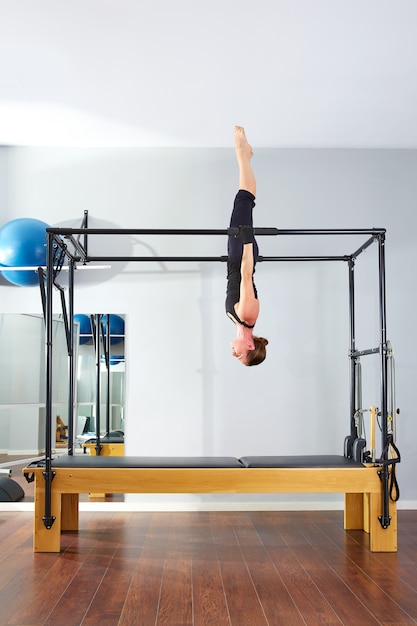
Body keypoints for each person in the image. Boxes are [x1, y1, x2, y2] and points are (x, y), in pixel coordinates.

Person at [225, 126, 268, 366]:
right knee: (244, 201)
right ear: (250, 346)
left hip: (237, 254)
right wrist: (247, 239)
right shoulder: (247, 315)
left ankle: (244, 156)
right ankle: (243, 154)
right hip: (243, 253)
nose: (234, 353)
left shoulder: (239, 321)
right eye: (240, 355)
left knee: (243, 202)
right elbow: (246, 274)